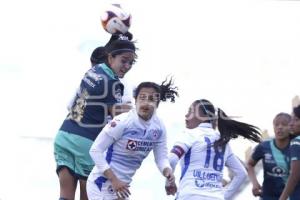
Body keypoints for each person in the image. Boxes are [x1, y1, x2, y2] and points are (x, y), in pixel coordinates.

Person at [54, 37, 137, 200]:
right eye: (124, 61)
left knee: (65, 196)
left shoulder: (94, 70)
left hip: (63, 136)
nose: (127, 67)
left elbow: (71, 104)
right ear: (111, 57)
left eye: (130, 63)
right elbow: (117, 121)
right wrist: (133, 113)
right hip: (85, 142)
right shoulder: (115, 84)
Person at [86, 79, 178, 200]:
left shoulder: (159, 127)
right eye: (142, 98)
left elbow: (161, 158)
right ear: (136, 100)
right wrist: (114, 180)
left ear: (157, 103)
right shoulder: (122, 121)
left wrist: (167, 172)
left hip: (122, 188)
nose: (145, 103)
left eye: (151, 99)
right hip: (101, 183)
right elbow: (95, 150)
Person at [167, 99, 262, 200]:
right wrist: (223, 195)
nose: (186, 115)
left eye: (190, 111)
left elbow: (172, 159)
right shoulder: (222, 141)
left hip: (189, 195)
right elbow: (241, 173)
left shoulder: (190, 135)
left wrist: (169, 183)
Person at [247, 112, 292, 200]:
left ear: (290, 127)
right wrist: (254, 183)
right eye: (276, 125)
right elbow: (249, 164)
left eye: (284, 124)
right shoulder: (264, 146)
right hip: (267, 196)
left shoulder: (296, 147)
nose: (280, 127)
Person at [279, 105, 300, 200]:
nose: (291, 124)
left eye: (296, 120)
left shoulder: (296, 142)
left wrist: (283, 198)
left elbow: (295, 175)